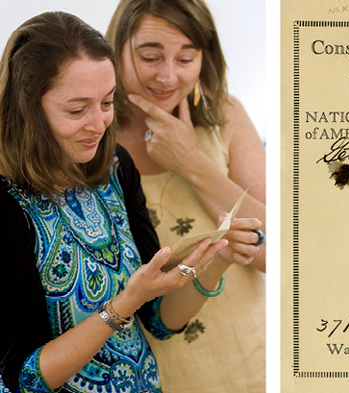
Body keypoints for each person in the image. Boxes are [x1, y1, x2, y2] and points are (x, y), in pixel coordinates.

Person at [0, 10, 247, 393]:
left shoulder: (117, 167)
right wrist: (123, 304)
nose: (98, 125)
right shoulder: (7, 203)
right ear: (28, 109)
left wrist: (217, 262)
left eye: (107, 102)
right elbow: (23, 378)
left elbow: (160, 321)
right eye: (76, 110)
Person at [106, 0, 266, 391]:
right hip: (158, 374)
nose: (167, 76)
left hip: (252, 362)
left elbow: (283, 254)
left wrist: (191, 161)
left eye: (186, 58)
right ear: (116, 48)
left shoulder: (224, 115)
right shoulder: (93, 135)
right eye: (150, 56)